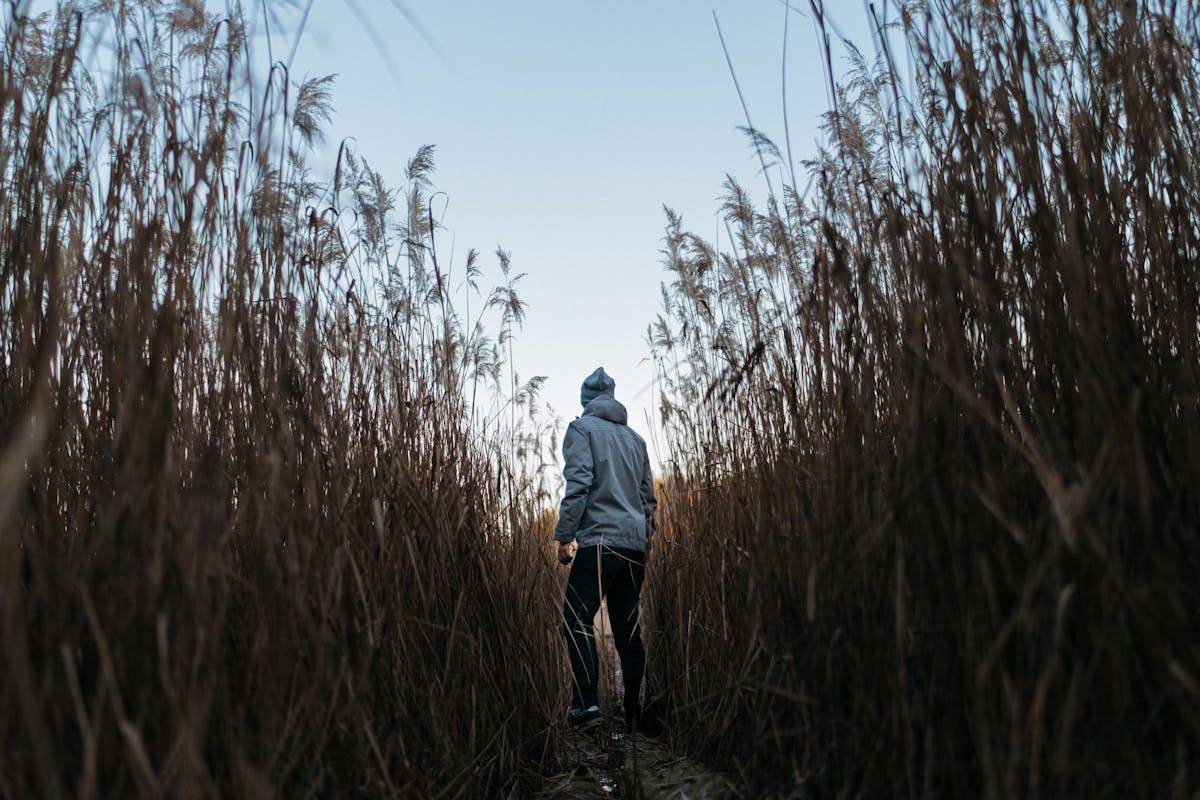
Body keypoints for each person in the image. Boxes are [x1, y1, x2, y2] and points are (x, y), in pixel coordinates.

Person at [554, 367, 657, 734]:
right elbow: (648, 500)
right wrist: (645, 537)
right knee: (628, 630)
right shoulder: (636, 440)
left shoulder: (581, 429)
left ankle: (587, 707)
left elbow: (579, 483)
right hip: (633, 547)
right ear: (612, 398)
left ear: (586, 400)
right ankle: (632, 715)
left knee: (574, 619)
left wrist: (565, 536)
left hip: (599, 543)